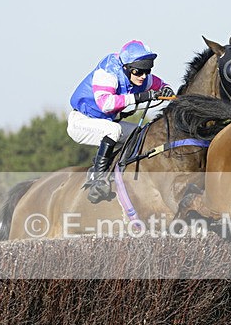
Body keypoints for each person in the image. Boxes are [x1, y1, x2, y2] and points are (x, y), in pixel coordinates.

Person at [69, 40, 174, 203]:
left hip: (106, 123)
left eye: (147, 71)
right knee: (113, 131)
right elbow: (106, 104)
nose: (143, 76)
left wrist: (166, 89)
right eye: (138, 72)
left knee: (142, 135)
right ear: (126, 67)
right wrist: (140, 97)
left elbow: (161, 85)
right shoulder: (107, 73)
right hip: (81, 122)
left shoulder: (141, 76)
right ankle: (97, 179)